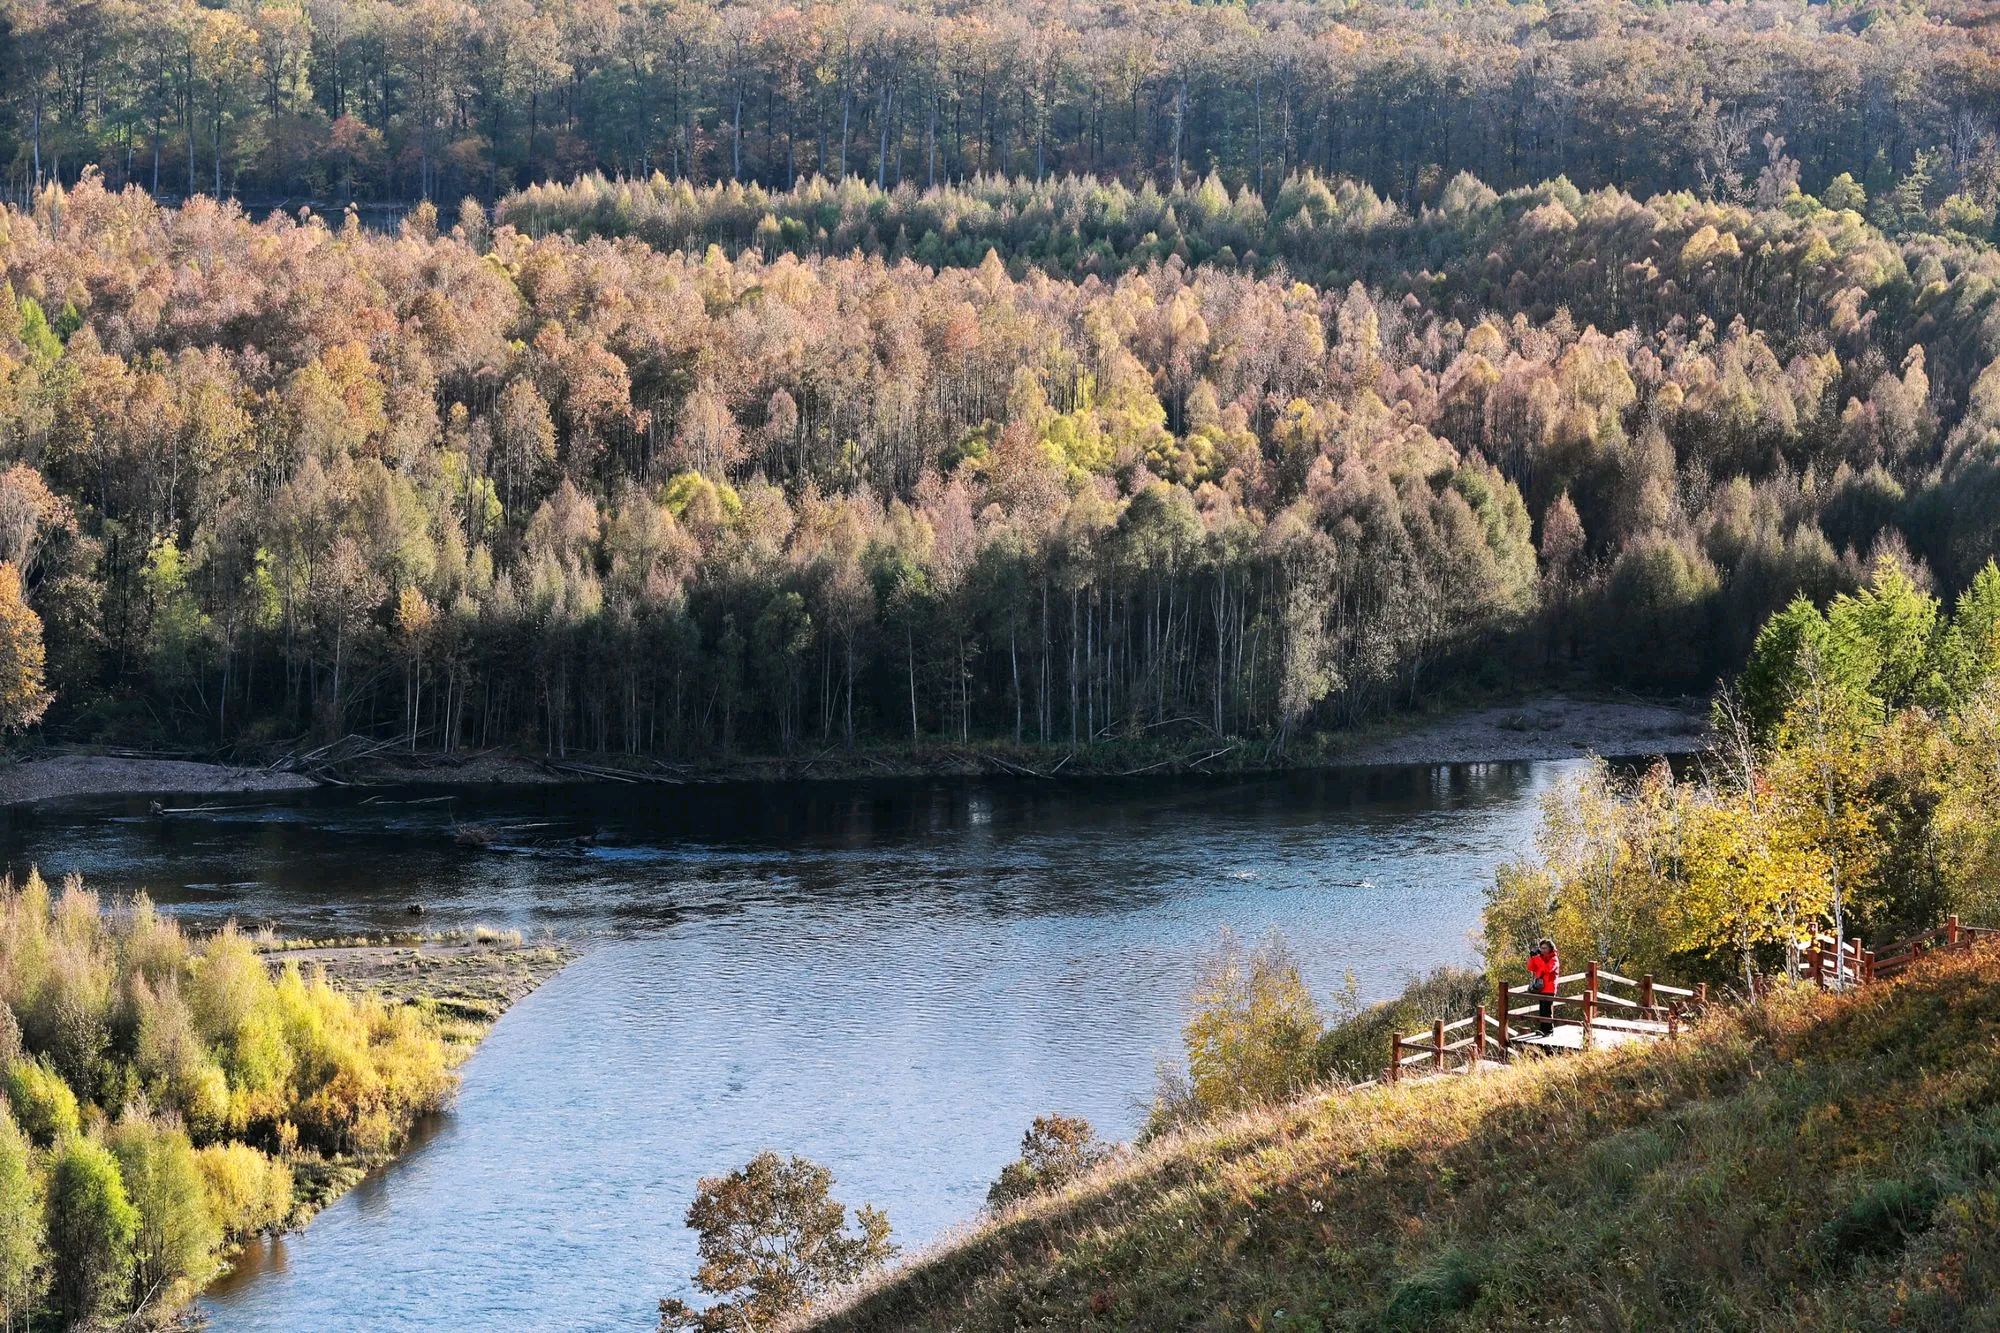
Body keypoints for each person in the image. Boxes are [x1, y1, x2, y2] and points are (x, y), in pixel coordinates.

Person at [1528, 937, 1560, 1035]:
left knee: (1547, 1010)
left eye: (1545, 948)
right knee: (1542, 1009)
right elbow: (1531, 967)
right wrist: (1532, 958)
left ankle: (1549, 1030)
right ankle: (1542, 1029)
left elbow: (1547, 969)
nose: (1543, 950)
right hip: (1541, 987)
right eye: (1541, 948)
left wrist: (1537, 958)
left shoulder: (1554, 959)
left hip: (1549, 988)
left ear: (1550, 948)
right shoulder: (1540, 958)